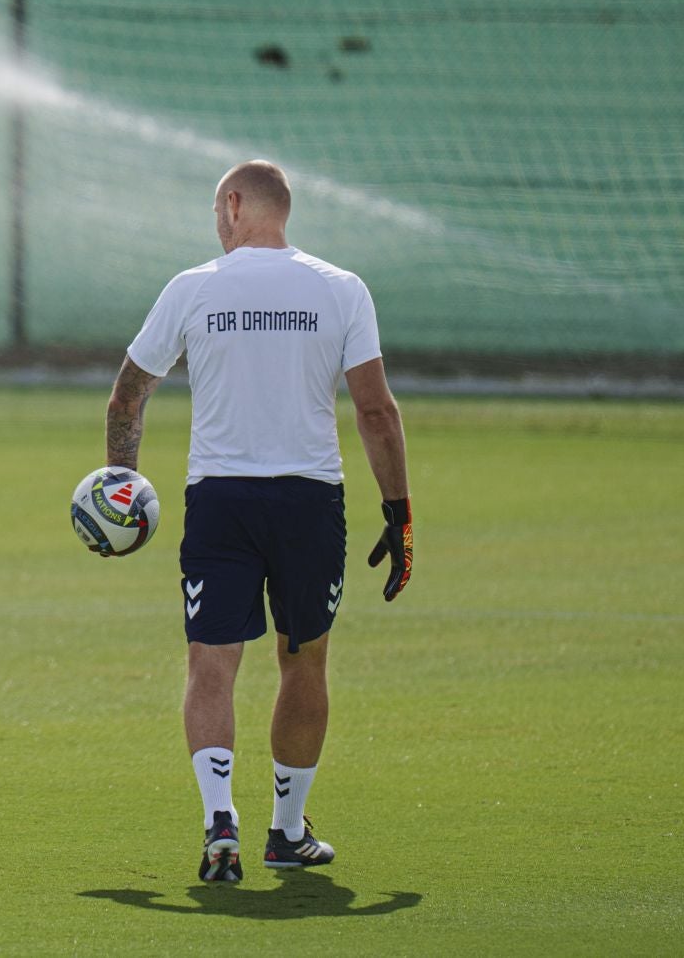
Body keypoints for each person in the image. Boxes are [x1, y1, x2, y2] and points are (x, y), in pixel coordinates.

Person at [104, 159, 412, 884]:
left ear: (235, 205)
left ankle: (219, 824)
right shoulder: (342, 289)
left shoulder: (193, 288)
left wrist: (121, 487)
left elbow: (127, 398)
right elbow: (376, 411)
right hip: (309, 502)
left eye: (218, 209)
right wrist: (398, 515)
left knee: (212, 663)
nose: (216, 223)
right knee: (302, 662)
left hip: (221, 501)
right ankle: (286, 830)